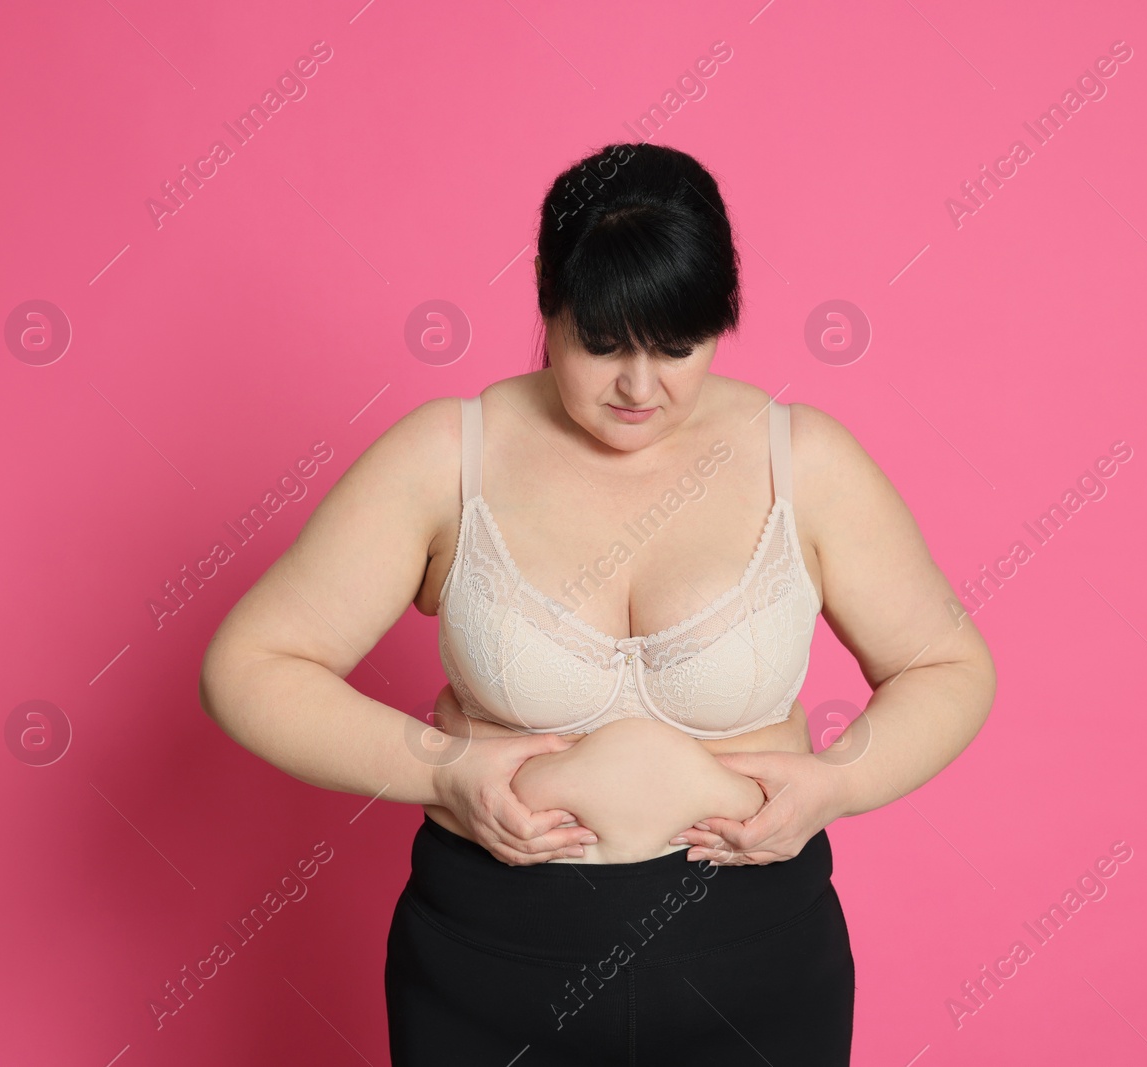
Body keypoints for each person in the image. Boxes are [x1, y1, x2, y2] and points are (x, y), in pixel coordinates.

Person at [199, 142, 996, 1065]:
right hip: (492, 957)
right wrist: (440, 768)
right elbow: (251, 666)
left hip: (755, 955)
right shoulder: (445, 457)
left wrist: (843, 780)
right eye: (602, 344)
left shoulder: (804, 462)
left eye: (677, 348)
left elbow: (948, 667)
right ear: (547, 297)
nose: (639, 388)